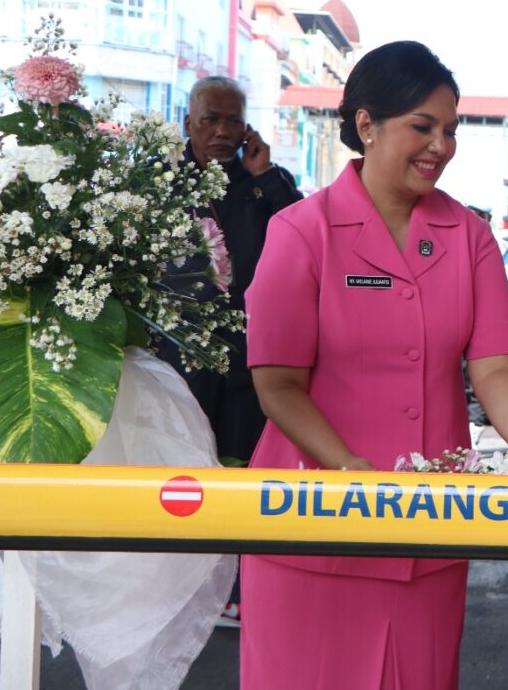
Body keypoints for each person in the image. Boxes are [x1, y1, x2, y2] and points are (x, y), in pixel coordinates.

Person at [240, 41, 508, 689]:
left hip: (427, 530)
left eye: (450, 129)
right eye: (422, 126)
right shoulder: (303, 230)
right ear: (365, 125)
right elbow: (278, 386)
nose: (440, 144)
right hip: (315, 526)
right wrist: (352, 469)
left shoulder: (468, 235)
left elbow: (494, 366)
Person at [160, 76, 303, 626]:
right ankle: (183, 584)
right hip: (181, 351)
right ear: (189, 121)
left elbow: (304, 230)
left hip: (249, 353)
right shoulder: (159, 180)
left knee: (243, 467)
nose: (222, 132)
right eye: (210, 120)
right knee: (185, 470)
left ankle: (241, 587)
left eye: (233, 121)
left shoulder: (264, 184)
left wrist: (263, 175)